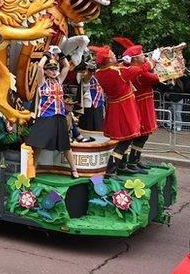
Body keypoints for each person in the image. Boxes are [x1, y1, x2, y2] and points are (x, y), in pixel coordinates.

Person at [26, 50, 80, 178]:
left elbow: (66, 66)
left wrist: (61, 53)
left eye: (55, 69)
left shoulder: (59, 81)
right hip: (46, 116)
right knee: (39, 144)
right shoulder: (42, 83)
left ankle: (74, 169)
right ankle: (33, 168)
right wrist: (47, 55)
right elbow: (39, 66)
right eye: (50, 69)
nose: (54, 71)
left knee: (65, 145)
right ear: (45, 71)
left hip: (59, 116)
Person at [92, 46, 144, 175]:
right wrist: (152, 61)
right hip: (125, 107)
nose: (116, 55)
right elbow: (140, 69)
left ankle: (122, 166)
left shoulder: (100, 72)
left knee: (124, 138)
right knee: (126, 139)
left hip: (116, 106)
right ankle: (112, 169)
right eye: (113, 55)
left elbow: (120, 70)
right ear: (109, 60)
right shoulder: (117, 71)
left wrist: (125, 63)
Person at [116, 38, 160, 171]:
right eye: (141, 55)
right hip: (141, 105)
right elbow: (156, 78)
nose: (144, 56)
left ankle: (134, 160)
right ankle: (131, 162)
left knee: (142, 135)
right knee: (141, 135)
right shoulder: (137, 71)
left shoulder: (136, 68)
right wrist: (152, 61)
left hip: (142, 102)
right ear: (134, 59)